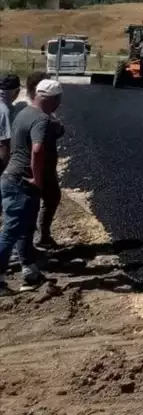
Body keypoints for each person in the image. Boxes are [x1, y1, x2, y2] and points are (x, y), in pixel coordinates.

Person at [0, 78, 62, 293]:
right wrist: (37, 178)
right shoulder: (42, 119)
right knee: (10, 230)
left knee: (25, 229)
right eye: (59, 99)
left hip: (12, 178)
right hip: (21, 181)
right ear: (53, 99)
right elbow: (37, 150)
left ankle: (30, 272)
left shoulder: (23, 112)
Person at [23, 72, 62, 249]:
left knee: (51, 197)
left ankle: (40, 236)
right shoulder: (38, 115)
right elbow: (38, 147)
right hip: (39, 168)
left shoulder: (34, 111)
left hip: (43, 166)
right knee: (35, 203)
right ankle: (29, 243)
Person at [0, 74, 20, 173]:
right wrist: (4, 171)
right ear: (17, 92)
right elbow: (4, 145)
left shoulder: (8, 108)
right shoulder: (4, 111)